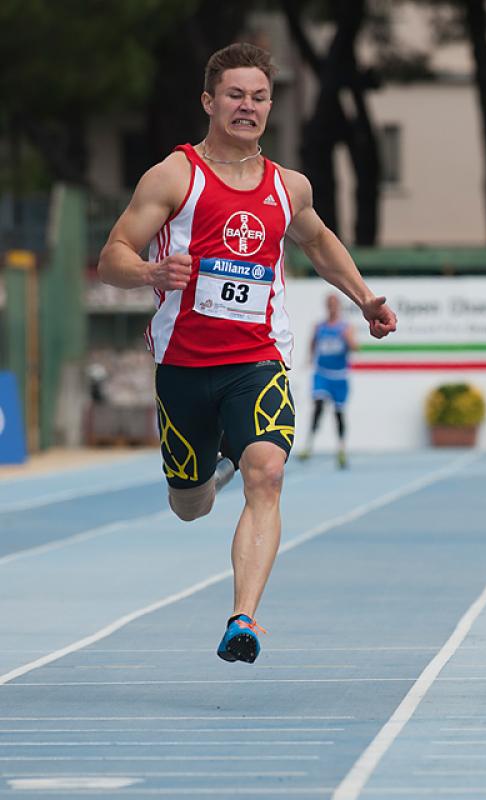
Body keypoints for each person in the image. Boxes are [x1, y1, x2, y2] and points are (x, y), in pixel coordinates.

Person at [97, 43, 397, 663]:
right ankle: (210, 471)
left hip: (257, 360)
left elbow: (318, 241)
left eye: (260, 97)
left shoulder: (289, 186)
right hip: (182, 367)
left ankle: (244, 619)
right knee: (190, 505)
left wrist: (365, 298)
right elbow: (111, 258)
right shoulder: (174, 176)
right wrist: (152, 272)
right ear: (209, 102)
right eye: (235, 95)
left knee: (268, 473)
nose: (248, 107)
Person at [297, 293, 356, 468]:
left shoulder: (346, 327)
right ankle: (309, 445)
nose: (332, 307)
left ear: (339, 306)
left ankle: (341, 450)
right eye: (329, 304)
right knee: (318, 406)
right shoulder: (319, 326)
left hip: (339, 376)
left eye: (334, 304)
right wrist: (309, 358)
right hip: (322, 374)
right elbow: (313, 343)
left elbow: (355, 347)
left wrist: (348, 339)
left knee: (338, 414)